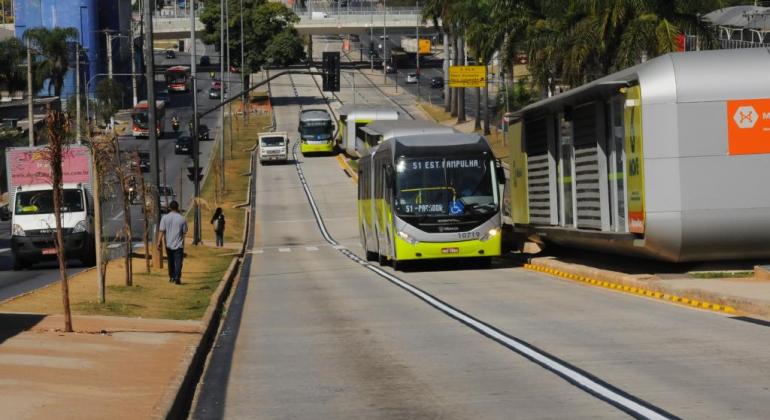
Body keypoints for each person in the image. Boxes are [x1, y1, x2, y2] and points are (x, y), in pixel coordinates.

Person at [157, 200, 187, 284]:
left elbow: (161, 231)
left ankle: (172, 277)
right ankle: (177, 277)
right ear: (177, 208)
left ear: (170, 208)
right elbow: (184, 232)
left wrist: (158, 242)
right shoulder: (182, 218)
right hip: (179, 244)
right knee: (178, 262)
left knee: (170, 261)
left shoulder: (165, 218)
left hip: (168, 244)